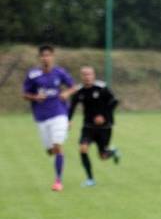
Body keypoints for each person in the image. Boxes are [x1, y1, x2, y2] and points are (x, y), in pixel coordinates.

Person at [22, 45, 78, 191]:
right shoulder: (33, 75)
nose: (46, 58)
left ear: (53, 57)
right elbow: (24, 94)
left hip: (59, 114)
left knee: (57, 146)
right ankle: (59, 139)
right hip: (41, 117)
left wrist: (67, 93)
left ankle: (58, 181)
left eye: (48, 55)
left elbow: (74, 86)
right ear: (39, 58)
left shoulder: (60, 72)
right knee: (50, 151)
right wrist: (35, 97)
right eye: (43, 55)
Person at [68, 66, 121, 187]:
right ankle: (90, 179)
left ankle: (112, 152)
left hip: (105, 127)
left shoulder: (102, 88)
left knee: (103, 156)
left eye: (89, 74)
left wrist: (103, 116)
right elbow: (72, 107)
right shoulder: (79, 91)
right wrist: (68, 120)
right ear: (81, 77)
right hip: (88, 127)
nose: (87, 77)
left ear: (94, 76)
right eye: (84, 75)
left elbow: (114, 101)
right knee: (83, 149)